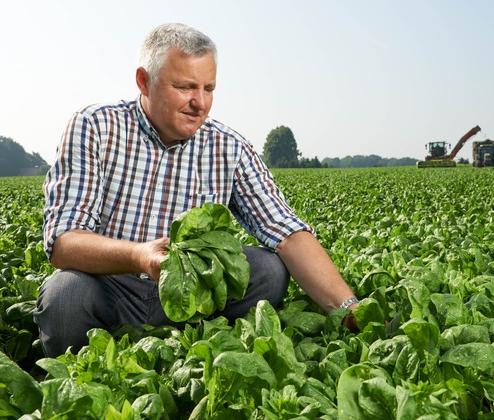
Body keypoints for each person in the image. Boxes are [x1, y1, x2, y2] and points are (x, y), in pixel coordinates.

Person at [34, 23, 359, 358]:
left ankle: (204, 347)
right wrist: (139, 256)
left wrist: (349, 309)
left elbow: (287, 231)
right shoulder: (95, 127)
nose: (200, 103)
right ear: (144, 81)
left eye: (209, 88)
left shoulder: (228, 147)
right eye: (185, 87)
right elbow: (63, 241)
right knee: (65, 294)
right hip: (111, 287)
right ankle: (89, 374)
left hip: (194, 297)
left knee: (268, 269)